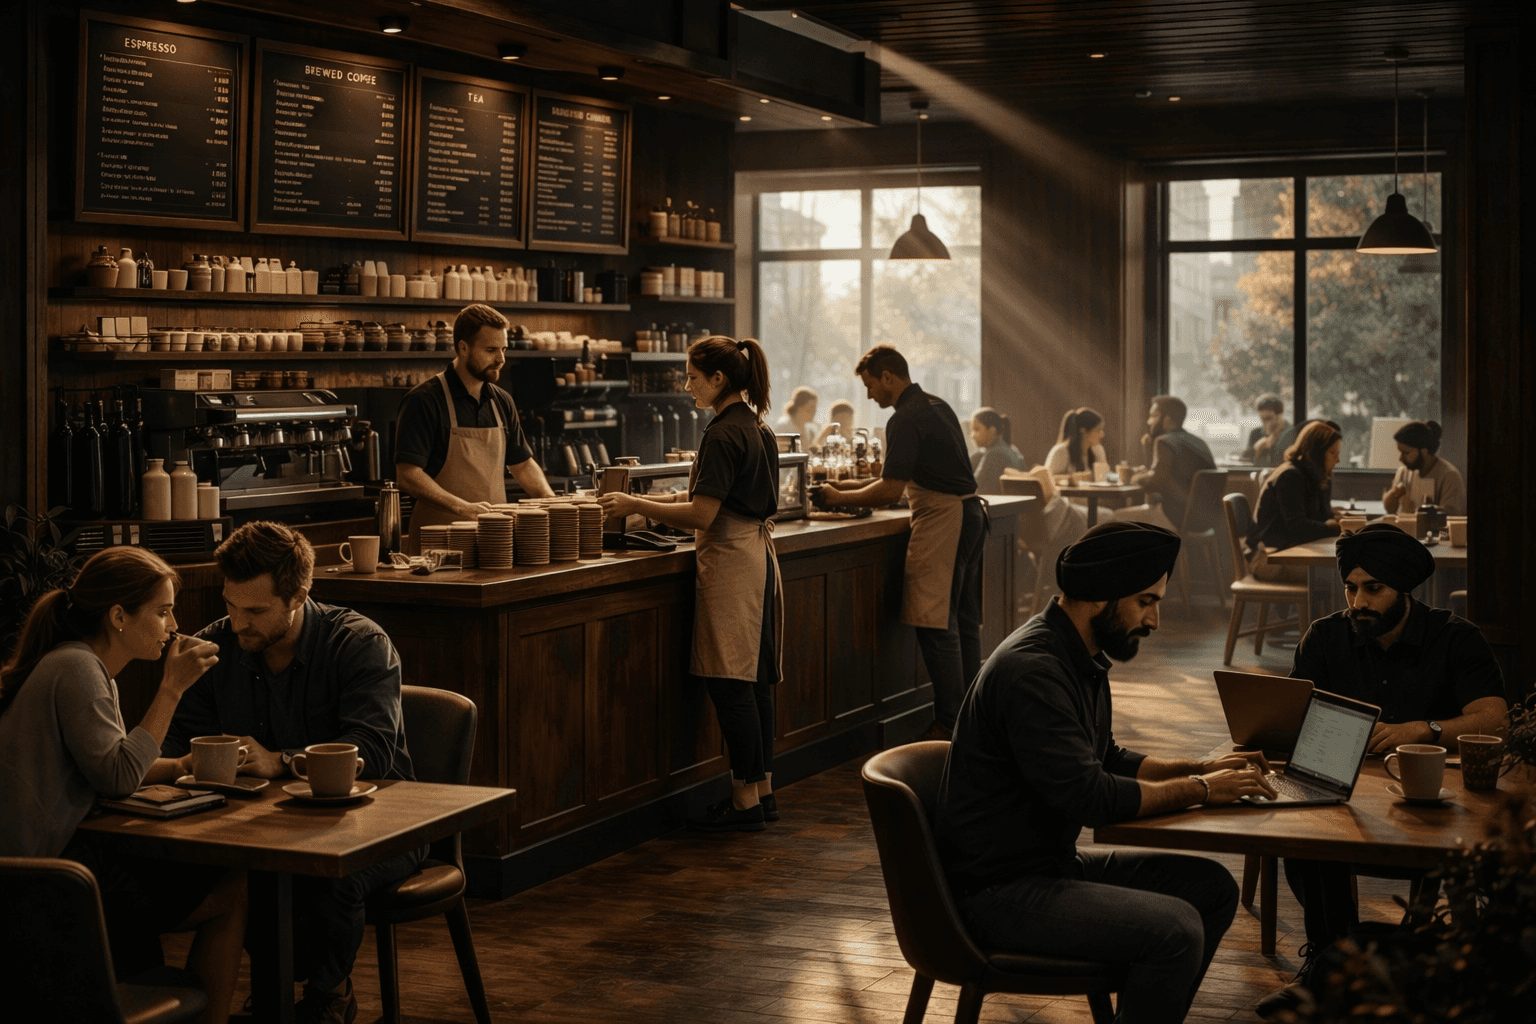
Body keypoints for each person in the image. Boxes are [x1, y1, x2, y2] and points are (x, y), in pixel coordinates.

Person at [934, 523, 1272, 1024]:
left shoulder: (1075, 652)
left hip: (1049, 865)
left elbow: (1106, 756)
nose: (1154, 621)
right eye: (1145, 602)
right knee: (1176, 930)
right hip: (997, 893)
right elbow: (1092, 797)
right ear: (1098, 597)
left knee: (1212, 890)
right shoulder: (1035, 671)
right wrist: (1202, 790)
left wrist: (1203, 767)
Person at [162, 522, 423, 1024]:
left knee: (327, 878)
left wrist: (281, 760)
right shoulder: (215, 646)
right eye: (231, 605)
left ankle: (328, 996)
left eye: (256, 611)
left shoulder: (358, 643)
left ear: (299, 595)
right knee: (236, 872)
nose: (238, 624)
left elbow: (373, 750)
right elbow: (176, 745)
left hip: (385, 825)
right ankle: (276, 988)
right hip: (268, 828)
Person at [1260, 523, 1507, 1015]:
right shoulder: (1325, 637)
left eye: (1373, 589)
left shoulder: (1454, 637)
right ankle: (1331, 962)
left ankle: (1407, 971)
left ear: (1402, 589)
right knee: (1309, 835)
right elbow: (1292, 716)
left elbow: (1494, 717)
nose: (1358, 601)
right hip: (1343, 788)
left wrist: (1426, 729)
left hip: (1430, 801)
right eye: (1350, 588)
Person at [0, 547, 244, 1024]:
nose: (174, 625)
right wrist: (172, 688)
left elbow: (104, 767)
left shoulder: (83, 666)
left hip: (48, 868)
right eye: (162, 610)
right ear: (118, 616)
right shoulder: (77, 668)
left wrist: (179, 766)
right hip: (37, 883)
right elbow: (117, 777)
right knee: (233, 890)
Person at [598, 336, 783, 833]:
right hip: (756, 558)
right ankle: (762, 793)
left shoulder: (722, 434)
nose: (687, 386)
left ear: (718, 379)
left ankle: (743, 802)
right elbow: (713, 496)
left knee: (730, 683)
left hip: (732, 564)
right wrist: (653, 507)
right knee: (755, 680)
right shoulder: (757, 427)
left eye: (693, 378)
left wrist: (636, 505)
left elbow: (703, 513)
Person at [817, 345, 986, 741]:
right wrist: (846, 485)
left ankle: (948, 723)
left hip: (945, 519)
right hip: (971, 514)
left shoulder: (904, 419)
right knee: (962, 621)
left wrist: (839, 497)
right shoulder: (938, 405)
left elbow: (890, 490)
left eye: (871, 385)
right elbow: (898, 479)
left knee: (934, 625)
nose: (870, 395)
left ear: (889, 377)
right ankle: (974, 717)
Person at [394, 302, 554, 553]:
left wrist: (549, 500)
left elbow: (522, 464)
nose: (501, 359)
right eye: (491, 350)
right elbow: (407, 476)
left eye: (503, 349)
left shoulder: (502, 401)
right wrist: (461, 506)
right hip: (438, 545)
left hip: (494, 541)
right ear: (463, 348)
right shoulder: (424, 400)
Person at [1245, 420, 1343, 583]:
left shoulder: (1313, 476)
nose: (1338, 460)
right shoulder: (1290, 476)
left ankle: (1321, 609)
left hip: (1288, 552)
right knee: (1339, 575)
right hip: (1269, 558)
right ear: (1316, 453)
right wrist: (1331, 527)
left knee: (1344, 570)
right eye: (1333, 454)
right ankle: (1322, 610)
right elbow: (1298, 527)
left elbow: (1321, 517)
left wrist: (1333, 514)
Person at [1120, 396, 1215, 530]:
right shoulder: (1199, 442)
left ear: (1167, 420)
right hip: (1205, 521)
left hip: (1175, 518)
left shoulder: (1165, 441)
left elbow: (1156, 481)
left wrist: (1135, 478)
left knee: (1114, 519)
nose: (1149, 421)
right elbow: (1167, 477)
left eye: (1153, 416)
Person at [1381, 420, 1465, 515]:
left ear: (1424, 451)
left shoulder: (1449, 475)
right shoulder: (1404, 472)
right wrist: (1392, 496)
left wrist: (1431, 511)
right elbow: (1391, 511)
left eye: (1406, 453)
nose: (1401, 458)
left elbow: (1452, 515)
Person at [968, 407, 1025, 493]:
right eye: (972, 430)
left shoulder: (995, 455)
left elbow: (976, 490)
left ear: (992, 431)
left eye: (977, 429)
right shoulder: (1011, 449)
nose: (972, 435)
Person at [1045, 407, 1108, 476]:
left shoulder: (1097, 450)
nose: (1102, 435)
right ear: (1083, 431)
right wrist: (1076, 478)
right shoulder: (1061, 451)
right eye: (1097, 430)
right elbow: (1050, 479)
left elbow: (1104, 477)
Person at [1242, 394, 1288, 467]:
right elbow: (1247, 463)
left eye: (1269, 418)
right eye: (1262, 419)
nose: (1265, 423)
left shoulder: (1291, 433)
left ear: (1280, 415)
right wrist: (1259, 449)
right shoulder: (1255, 434)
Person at [774, 385, 819, 449]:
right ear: (799, 408)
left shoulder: (810, 431)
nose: (815, 411)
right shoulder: (783, 429)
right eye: (811, 407)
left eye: (815, 407)